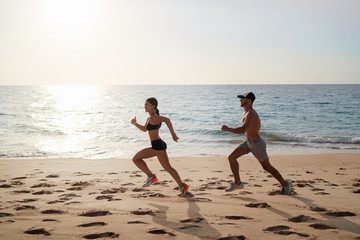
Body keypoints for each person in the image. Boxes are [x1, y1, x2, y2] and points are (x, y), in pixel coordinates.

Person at [221, 92, 292, 195]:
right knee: (232, 157)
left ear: (249, 101)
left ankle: (285, 184)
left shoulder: (251, 113)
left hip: (257, 144)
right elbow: (257, 125)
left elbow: (242, 130)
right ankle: (238, 183)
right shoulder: (247, 112)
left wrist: (227, 129)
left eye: (242, 98)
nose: (240, 100)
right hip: (249, 143)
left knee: (267, 167)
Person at [131, 97, 189, 196]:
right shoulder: (150, 118)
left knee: (136, 159)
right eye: (145, 104)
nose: (145, 106)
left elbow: (167, 120)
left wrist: (173, 134)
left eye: (147, 105)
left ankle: (151, 176)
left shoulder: (154, 117)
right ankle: (182, 186)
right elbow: (145, 129)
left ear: (153, 106)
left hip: (157, 146)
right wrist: (135, 124)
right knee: (168, 167)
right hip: (160, 145)